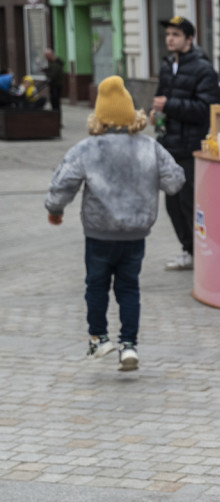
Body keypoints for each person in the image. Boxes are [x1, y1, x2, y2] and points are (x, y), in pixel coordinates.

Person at [44, 76, 185, 371]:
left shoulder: (87, 148)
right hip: (135, 234)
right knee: (129, 288)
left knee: (96, 286)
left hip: (99, 234)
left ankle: (98, 338)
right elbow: (174, 181)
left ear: (100, 115)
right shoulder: (149, 147)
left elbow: (63, 183)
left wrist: (55, 208)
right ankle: (129, 345)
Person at [151, 15, 220, 271]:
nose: (170, 39)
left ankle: (199, 253)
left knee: (190, 204)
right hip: (169, 145)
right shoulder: (168, 65)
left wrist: (170, 106)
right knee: (172, 203)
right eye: (168, 34)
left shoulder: (203, 69)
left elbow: (206, 109)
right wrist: (155, 111)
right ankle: (187, 250)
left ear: (189, 39)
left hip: (191, 148)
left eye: (176, 35)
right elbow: (161, 97)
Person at [42, 48, 64, 123]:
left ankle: (57, 121)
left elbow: (53, 75)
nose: (46, 58)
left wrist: (46, 72)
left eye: (46, 56)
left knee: (55, 103)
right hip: (55, 85)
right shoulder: (53, 63)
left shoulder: (55, 64)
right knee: (54, 103)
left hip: (56, 86)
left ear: (50, 55)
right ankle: (56, 120)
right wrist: (46, 70)